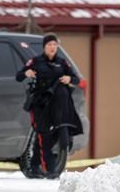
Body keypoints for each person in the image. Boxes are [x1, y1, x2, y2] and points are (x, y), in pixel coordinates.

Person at [16, 33, 81, 178]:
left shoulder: (62, 63)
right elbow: (18, 76)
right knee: (42, 133)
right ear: (44, 47)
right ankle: (50, 169)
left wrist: (69, 78)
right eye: (49, 45)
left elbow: (76, 79)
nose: (52, 47)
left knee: (48, 135)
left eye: (55, 45)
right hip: (39, 102)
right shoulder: (36, 61)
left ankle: (35, 167)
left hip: (56, 103)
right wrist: (26, 73)